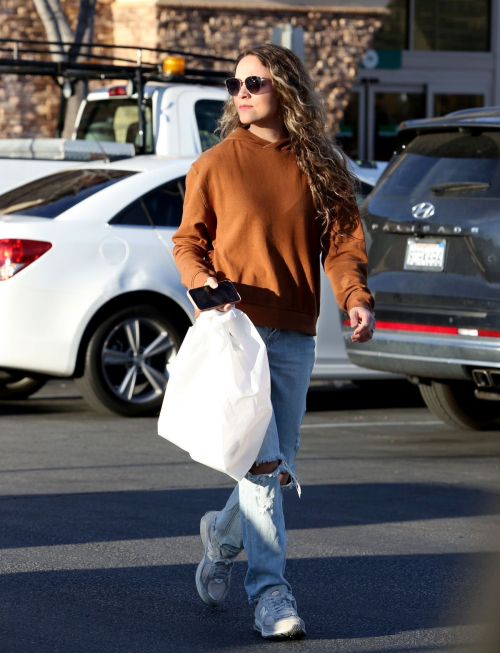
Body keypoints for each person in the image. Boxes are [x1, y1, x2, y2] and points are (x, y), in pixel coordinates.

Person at [171, 43, 376, 640]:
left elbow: (342, 245)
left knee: (275, 467)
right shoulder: (213, 165)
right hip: (237, 331)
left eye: (253, 82)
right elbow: (188, 242)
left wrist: (354, 297)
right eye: (234, 84)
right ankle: (271, 596)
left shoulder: (321, 165)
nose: (241, 93)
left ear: (284, 87)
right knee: (262, 467)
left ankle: (220, 540)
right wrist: (202, 279)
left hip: (295, 334)